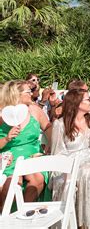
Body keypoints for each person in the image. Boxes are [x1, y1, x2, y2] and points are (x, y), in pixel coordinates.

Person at [50, 88, 90, 229]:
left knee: (88, 173)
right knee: (67, 183)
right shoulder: (60, 125)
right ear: (77, 103)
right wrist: (72, 166)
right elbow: (57, 154)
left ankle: (86, 224)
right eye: (87, 99)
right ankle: (67, 223)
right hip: (69, 163)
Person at [0, 80, 51, 210]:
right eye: (28, 91)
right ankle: (4, 215)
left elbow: (49, 129)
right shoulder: (3, 115)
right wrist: (7, 138)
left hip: (32, 154)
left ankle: (22, 214)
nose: (32, 93)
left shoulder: (35, 110)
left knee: (37, 178)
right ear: (16, 94)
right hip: (10, 156)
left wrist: (50, 147)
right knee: (12, 182)